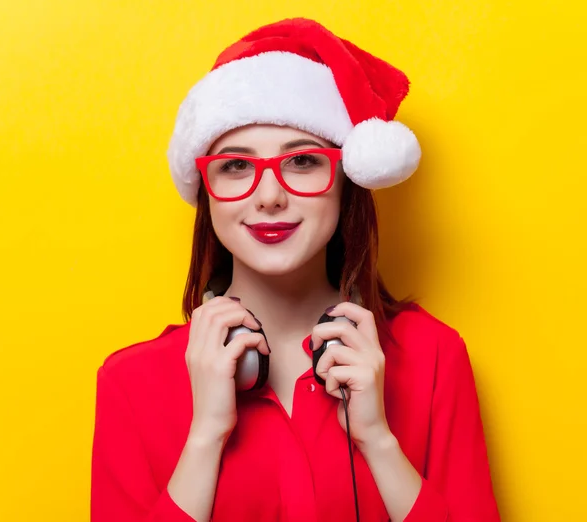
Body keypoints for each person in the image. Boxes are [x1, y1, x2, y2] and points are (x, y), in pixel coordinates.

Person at [91, 17, 500, 522]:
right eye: (236, 166)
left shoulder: (433, 357)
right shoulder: (130, 384)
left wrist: (378, 439)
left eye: (302, 161)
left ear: (344, 179)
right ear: (206, 192)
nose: (269, 197)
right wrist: (206, 437)